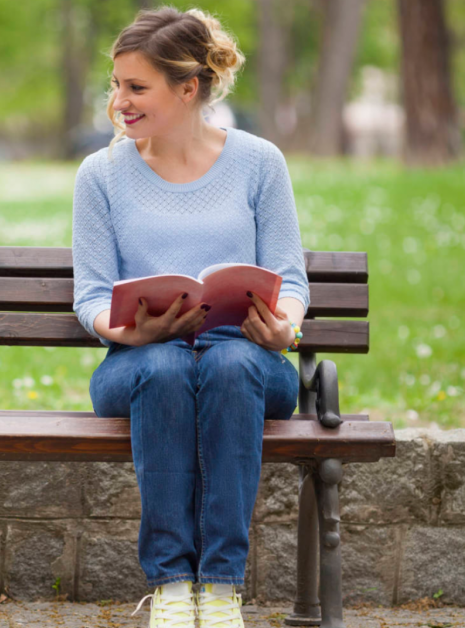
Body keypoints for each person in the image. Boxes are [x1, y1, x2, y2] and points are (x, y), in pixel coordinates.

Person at [71, 8, 308, 628]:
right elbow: (91, 295)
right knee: (166, 368)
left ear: (188, 87)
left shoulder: (260, 163)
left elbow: (292, 277)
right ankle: (173, 584)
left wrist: (285, 327)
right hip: (138, 364)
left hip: (251, 359)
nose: (119, 100)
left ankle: (222, 585)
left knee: (228, 362)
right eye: (117, 84)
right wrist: (123, 330)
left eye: (136, 86)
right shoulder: (101, 174)